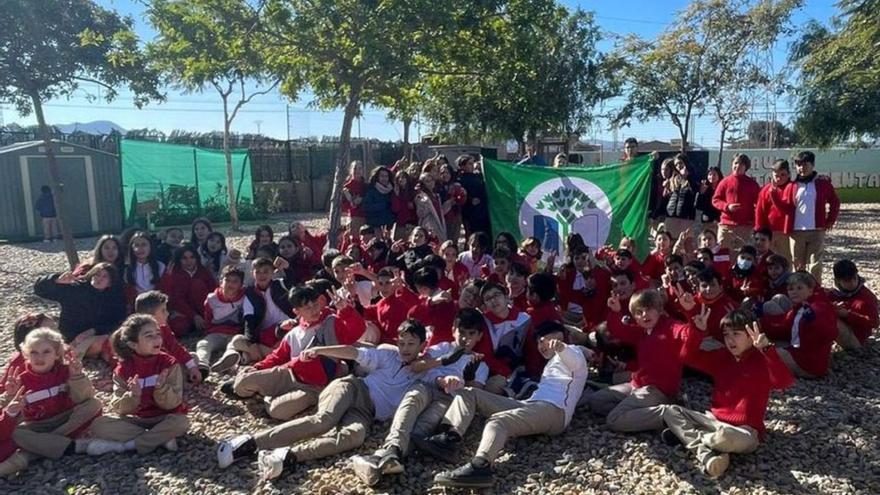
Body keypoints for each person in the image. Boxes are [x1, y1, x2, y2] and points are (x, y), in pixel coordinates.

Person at [217, 320, 428, 480]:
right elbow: (353, 352)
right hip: (353, 388)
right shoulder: (388, 355)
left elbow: (444, 372)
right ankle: (249, 443)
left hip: (366, 413)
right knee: (325, 420)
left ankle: (287, 456)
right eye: (401, 343)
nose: (405, 348)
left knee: (354, 437)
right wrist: (319, 350)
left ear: (422, 345)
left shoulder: (425, 373)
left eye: (411, 343)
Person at [421, 321, 591, 489]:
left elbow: (575, 361)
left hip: (554, 410)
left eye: (544, 339)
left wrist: (562, 348)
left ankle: (480, 466)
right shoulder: (551, 363)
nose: (541, 345)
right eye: (538, 341)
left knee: (498, 421)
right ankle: (449, 437)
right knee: (469, 393)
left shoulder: (573, 353)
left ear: (559, 336)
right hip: (532, 405)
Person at [350, 308, 490, 486]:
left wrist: (468, 377)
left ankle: (380, 458)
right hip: (426, 385)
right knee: (410, 404)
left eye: (471, 334)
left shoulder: (480, 364)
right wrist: (443, 366)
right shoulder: (442, 348)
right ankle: (392, 448)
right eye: (462, 332)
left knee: (421, 429)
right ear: (454, 329)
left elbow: (473, 395)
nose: (465, 338)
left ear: (479, 336)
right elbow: (415, 366)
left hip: (447, 399)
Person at [662, 310, 795, 478]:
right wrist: (697, 332)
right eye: (726, 334)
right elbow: (687, 357)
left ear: (750, 336)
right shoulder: (722, 357)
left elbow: (784, 382)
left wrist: (768, 349)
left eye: (736, 334)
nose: (730, 340)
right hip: (714, 421)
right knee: (670, 411)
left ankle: (691, 439)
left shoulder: (762, 360)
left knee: (725, 437)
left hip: (745, 431)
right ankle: (708, 454)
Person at [222, 286, 365, 420]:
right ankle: (258, 390)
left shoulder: (331, 322)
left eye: (315, 305)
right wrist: (258, 367)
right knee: (242, 382)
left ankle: (261, 394)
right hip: (289, 375)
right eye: (307, 307)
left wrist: (346, 310)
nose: (314, 310)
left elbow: (356, 332)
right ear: (297, 311)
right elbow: (277, 356)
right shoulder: (295, 332)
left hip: (314, 386)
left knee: (277, 411)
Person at [587, 289, 703, 432]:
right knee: (596, 401)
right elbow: (619, 330)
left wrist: (691, 312)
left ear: (659, 309)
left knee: (613, 420)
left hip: (659, 391)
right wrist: (616, 311)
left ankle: (669, 415)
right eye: (639, 312)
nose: (644, 315)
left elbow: (688, 335)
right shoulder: (642, 331)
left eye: (648, 309)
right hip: (637, 385)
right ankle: (643, 414)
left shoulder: (671, 327)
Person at [86, 315, 189, 456]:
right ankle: (159, 438)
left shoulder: (169, 364)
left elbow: (173, 403)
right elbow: (118, 408)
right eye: (149, 336)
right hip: (139, 420)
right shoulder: (123, 370)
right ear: (133, 344)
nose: (157, 339)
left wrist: (161, 388)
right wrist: (133, 396)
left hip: (165, 417)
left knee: (181, 422)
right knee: (99, 424)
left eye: (158, 334)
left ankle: (127, 446)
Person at [10, 329, 101, 471]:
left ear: (57, 354)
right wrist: (9, 396)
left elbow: (84, 398)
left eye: (46, 352)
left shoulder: (66, 371)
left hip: (66, 418)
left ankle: (45, 446)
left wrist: (77, 377)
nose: (40, 357)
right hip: (37, 424)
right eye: (34, 352)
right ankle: (68, 446)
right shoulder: (21, 379)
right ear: (26, 354)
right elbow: (11, 414)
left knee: (94, 404)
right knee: (14, 432)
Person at [212, 258, 295, 372]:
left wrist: (288, 267)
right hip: (266, 334)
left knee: (284, 342)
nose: (262, 275)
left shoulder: (280, 285)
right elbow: (249, 321)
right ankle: (250, 356)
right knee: (237, 340)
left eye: (266, 271)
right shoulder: (250, 293)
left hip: (287, 329)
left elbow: (295, 280)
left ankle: (246, 357)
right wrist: (252, 344)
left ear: (272, 273)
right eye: (258, 272)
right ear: (252, 274)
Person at [33, 263, 126, 360]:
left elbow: (117, 322)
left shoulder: (114, 297)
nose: (99, 278)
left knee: (106, 340)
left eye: (104, 276)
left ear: (110, 282)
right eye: (97, 274)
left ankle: (73, 355)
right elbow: (39, 289)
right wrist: (55, 280)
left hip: (93, 338)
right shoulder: (75, 288)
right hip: (69, 336)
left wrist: (93, 330)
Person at [760, 272, 837, 378]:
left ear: (810, 290)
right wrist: (760, 322)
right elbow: (784, 328)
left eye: (799, 288)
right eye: (791, 289)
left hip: (808, 364)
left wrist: (813, 322)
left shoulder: (819, 307)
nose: (794, 292)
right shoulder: (800, 307)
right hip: (798, 352)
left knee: (767, 354)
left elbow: (830, 333)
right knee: (765, 345)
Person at [780, 151, 841, 280]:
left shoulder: (822, 184)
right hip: (796, 232)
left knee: (815, 265)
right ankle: (799, 292)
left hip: (816, 230)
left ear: (812, 165)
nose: (802, 168)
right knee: (798, 265)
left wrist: (830, 220)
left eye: (805, 164)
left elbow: (835, 202)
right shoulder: (791, 186)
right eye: (798, 165)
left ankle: (815, 292)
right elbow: (784, 207)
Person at [473, 283, 532, 394]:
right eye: (488, 298)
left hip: (522, 367)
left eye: (497, 295)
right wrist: (507, 372)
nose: (493, 300)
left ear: (506, 296)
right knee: (493, 387)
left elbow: (531, 349)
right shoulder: (484, 323)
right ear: (485, 305)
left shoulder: (524, 319)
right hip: (497, 371)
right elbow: (486, 356)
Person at [134, 291, 202, 384]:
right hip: (150, 371)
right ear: (150, 316)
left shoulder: (163, 327)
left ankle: (187, 375)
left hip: (167, 363)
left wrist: (192, 366)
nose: (167, 313)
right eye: (163, 310)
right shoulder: (139, 335)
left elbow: (175, 347)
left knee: (193, 358)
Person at [196, 266, 246, 378]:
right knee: (203, 344)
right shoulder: (212, 299)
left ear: (241, 285)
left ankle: (228, 361)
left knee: (233, 346)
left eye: (235, 281)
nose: (230, 284)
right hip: (217, 332)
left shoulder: (245, 297)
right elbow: (208, 318)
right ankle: (202, 363)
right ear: (220, 281)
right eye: (227, 280)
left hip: (235, 333)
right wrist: (207, 332)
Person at [158, 245, 216, 337]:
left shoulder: (203, 271)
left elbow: (214, 291)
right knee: (178, 327)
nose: (189, 261)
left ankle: (206, 321)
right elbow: (172, 298)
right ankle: (197, 324)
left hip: (203, 308)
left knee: (197, 284)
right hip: (184, 311)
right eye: (184, 258)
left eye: (192, 257)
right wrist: (193, 316)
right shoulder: (173, 273)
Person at [712, 153, 761, 250]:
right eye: (735, 163)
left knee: (742, 254)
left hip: (744, 227)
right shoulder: (724, 182)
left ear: (746, 167)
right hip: (726, 226)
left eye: (741, 164)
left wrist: (754, 221)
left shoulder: (752, 184)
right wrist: (727, 207)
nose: (737, 166)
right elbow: (715, 200)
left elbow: (759, 204)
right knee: (722, 254)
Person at [829, 260, 879, 350]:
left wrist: (848, 315)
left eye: (854, 278)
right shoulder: (832, 294)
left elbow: (874, 323)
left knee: (827, 318)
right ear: (838, 281)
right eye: (847, 281)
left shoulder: (867, 297)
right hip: (842, 331)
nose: (852, 283)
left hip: (856, 339)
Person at [755, 159, 792, 261]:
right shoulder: (766, 190)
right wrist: (759, 230)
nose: (779, 178)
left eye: (783, 175)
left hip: (787, 232)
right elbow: (760, 211)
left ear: (788, 174)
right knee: (769, 259)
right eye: (776, 175)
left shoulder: (792, 188)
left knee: (786, 259)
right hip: (770, 232)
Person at [457, 155, 491, 238]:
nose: (472, 166)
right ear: (463, 166)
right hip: (471, 213)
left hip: (483, 211)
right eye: (469, 164)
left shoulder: (478, 176)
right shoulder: (460, 180)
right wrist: (470, 199)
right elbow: (460, 196)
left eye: (472, 163)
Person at [664, 154, 697, 239]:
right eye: (676, 164)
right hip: (671, 216)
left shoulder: (693, 176)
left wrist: (687, 177)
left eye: (680, 163)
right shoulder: (674, 178)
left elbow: (694, 191)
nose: (678, 166)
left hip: (686, 218)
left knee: (685, 243)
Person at [414, 172, 447, 241]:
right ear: (423, 184)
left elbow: (439, 210)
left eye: (431, 180)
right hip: (429, 224)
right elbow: (420, 214)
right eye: (427, 181)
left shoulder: (436, 195)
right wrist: (425, 203)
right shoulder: (420, 196)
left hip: (439, 222)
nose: (431, 182)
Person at [363, 166, 396, 231]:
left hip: (389, 226)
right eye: (382, 176)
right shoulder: (371, 191)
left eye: (386, 176)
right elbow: (366, 207)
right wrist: (383, 205)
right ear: (377, 177)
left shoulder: (392, 190)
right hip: (375, 225)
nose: (384, 178)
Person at [695, 166, 723, 234]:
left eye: (714, 174)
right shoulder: (705, 188)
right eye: (710, 174)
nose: (712, 177)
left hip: (719, 221)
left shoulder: (722, 188)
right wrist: (701, 194)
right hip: (707, 221)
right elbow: (698, 206)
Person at [342, 160, 367, 234]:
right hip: (354, 218)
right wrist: (352, 203)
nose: (357, 171)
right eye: (355, 168)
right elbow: (343, 206)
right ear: (351, 170)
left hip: (367, 217)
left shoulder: (366, 186)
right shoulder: (347, 187)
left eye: (360, 168)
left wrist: (362, 200)